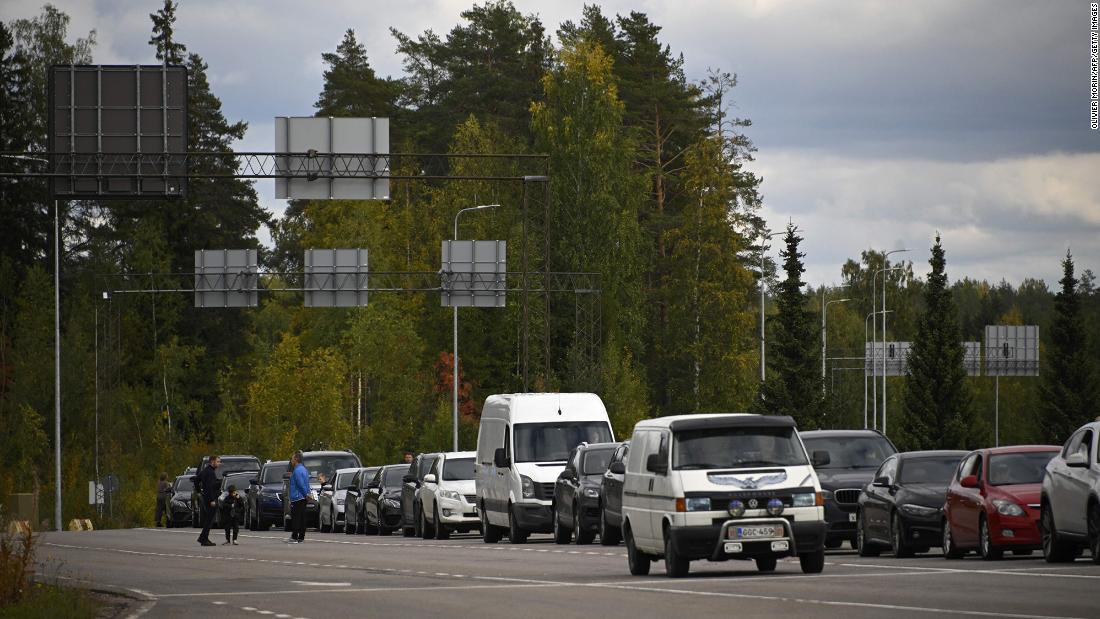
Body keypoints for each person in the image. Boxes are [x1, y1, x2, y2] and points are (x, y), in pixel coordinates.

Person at [196, 456, 220, 547]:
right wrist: (211, 500)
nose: (219, 463)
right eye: (217, 461)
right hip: (210, 499)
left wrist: (199, 491)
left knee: (208, 519)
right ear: (212, 462)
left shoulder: (205, 471)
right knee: (209, 520)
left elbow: (196, 480)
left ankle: (203, 537)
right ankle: (204, 538)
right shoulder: (210, 473)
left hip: (205, 497)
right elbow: (210, 487)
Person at [288, 450, 309, 544]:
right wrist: (308, 494)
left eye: (292, 459)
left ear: (296, 459)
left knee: (296, 517)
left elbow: (300, 484)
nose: (291, 461)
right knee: (302, 517)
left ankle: (294, 536)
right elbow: (307, 484)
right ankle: (301, 536)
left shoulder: (297, 471)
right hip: (303, 497)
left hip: (297, 497)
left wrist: (305, 494)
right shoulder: (304, 469)